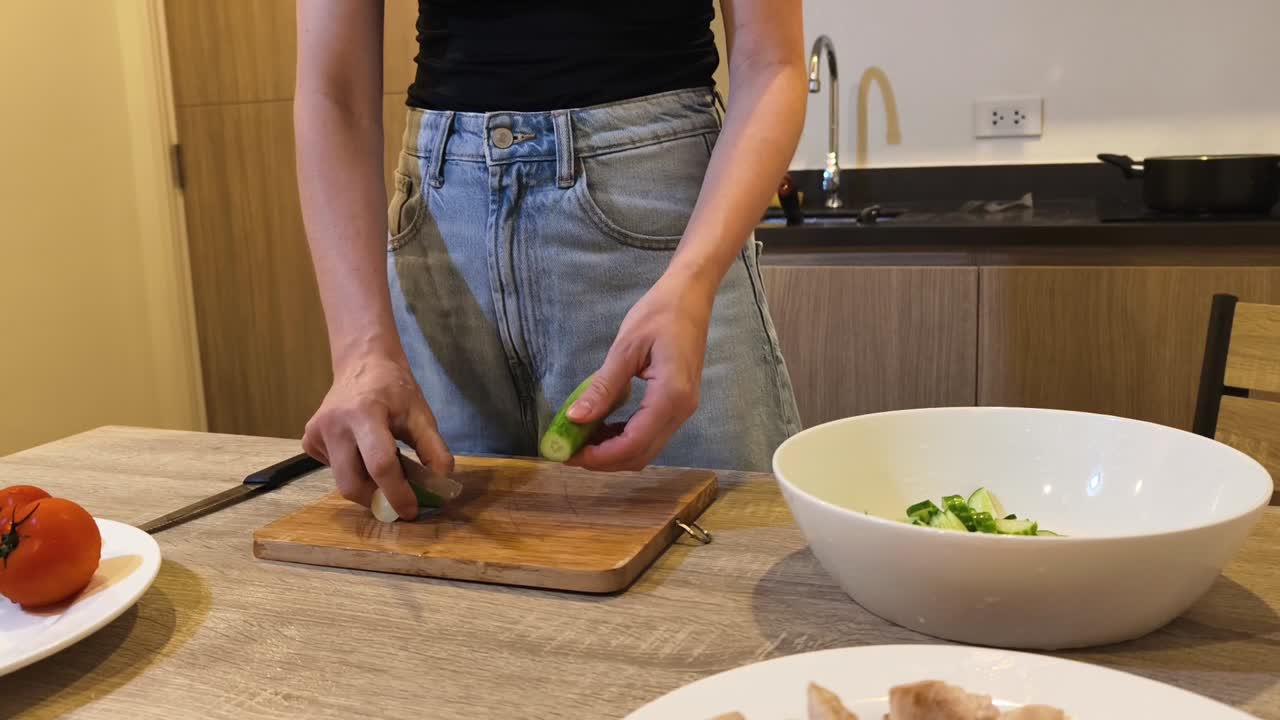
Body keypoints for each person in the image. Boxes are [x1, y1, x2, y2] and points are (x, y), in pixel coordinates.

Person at [295, 0, 806, 520]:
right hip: (443, 240)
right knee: (443, 559)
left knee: (723, 550)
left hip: (661, 228)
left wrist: (693, 281)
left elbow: (770, 64)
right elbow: (333, 93)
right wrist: (361, 352)